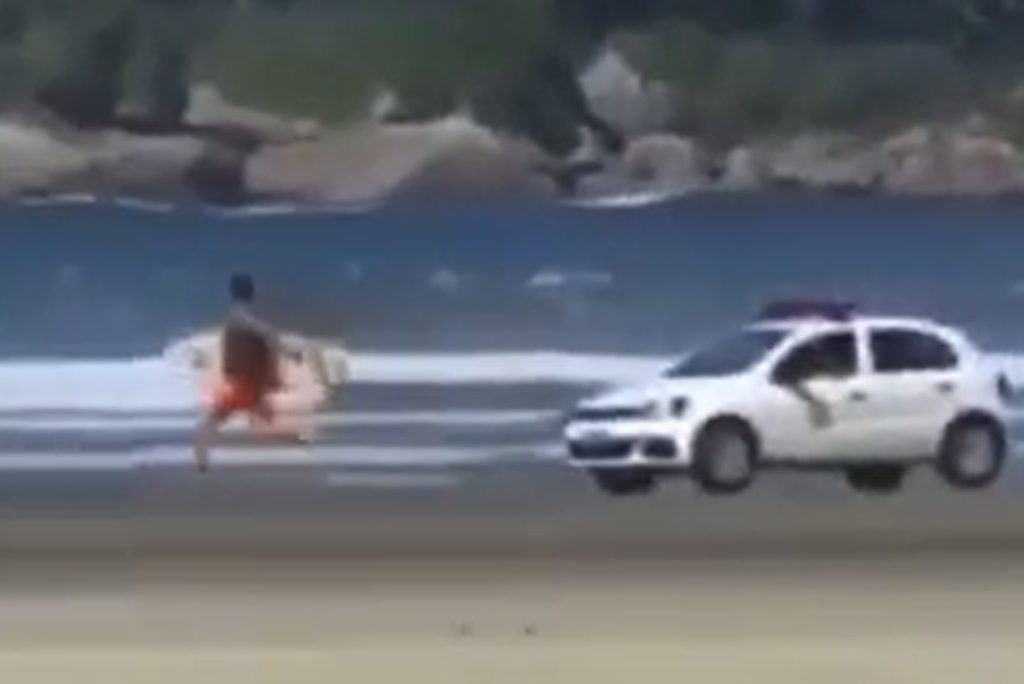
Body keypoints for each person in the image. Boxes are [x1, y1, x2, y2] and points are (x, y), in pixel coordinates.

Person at [193, 273, 313, 472]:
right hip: (248, 383)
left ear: (231, 293)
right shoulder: (242, 318)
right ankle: (300, 440)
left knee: (210, 422)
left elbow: (269, 336)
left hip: (243, 383)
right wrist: (289, 354)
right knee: (263, 422)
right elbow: (269, 336)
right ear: (252, 294)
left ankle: (201, 462)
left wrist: (275, 372)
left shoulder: (238, 318)